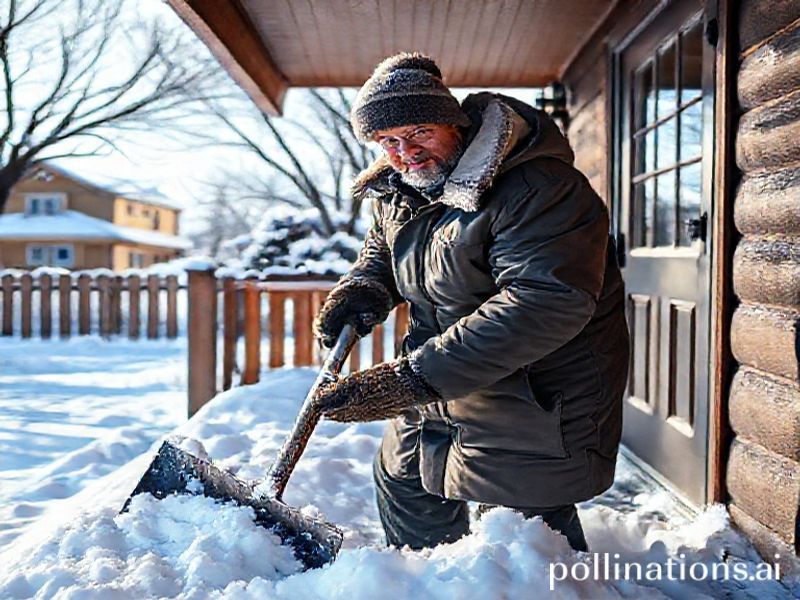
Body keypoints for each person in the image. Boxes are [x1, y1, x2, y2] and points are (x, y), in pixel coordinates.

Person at [312, 52, 630, 553]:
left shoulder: (537, 189)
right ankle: (424, 586)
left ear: (454, 122)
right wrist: (364, 288)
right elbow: (386, 246)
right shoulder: (407, 188)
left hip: (533, 394)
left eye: (418, 131)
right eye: (388, 141)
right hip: (443, 384)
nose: (405, 152)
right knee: (405, 486)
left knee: (524, 542)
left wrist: (411, 379)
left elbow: (546, 301)